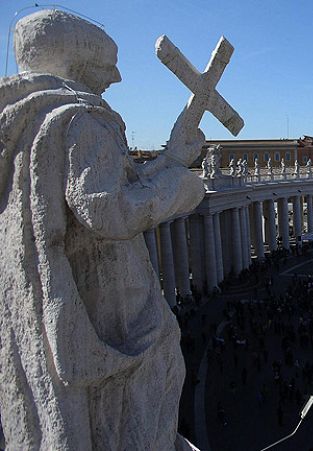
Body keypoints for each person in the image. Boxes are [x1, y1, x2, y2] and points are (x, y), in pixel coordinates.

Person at [0, 9, 205, 450]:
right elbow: (108, 209)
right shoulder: (80, 119)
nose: (115, 79)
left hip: (72, 300)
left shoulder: (26, 122)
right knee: (152, 378)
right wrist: (183, 186)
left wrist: (169, 159)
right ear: (78, 64)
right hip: (113, 315)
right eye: (105, 67)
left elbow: (109, 189)